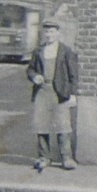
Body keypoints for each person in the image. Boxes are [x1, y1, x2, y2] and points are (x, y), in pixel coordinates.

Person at [27, 18, 80, 170]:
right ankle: (44, 157)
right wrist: (34, 76)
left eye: (52, 31)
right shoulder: (38, 51)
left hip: (60, 93)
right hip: (42, 92)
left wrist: (72, 94)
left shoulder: (66, 51)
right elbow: (30, 69)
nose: (49, 34)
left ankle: (66, 158)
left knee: (63, 126)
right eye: (46, 31)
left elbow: (73, 76)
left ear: (58, 33)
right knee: (41, 126)